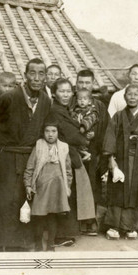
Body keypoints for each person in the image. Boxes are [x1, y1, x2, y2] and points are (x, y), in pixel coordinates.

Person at [0, 58, 52, 251]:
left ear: (46, 78)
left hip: (32, 157)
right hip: (7, 157)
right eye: (33, 73)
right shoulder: (8, 97)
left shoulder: (46, 101)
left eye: (41, 73)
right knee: (8, 200)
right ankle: (4, 244)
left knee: (29, 197)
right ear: (25, 76)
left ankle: (25, 243)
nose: (37, 78)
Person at [103, 84, 138, 240]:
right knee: (117, 191)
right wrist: (111, 161)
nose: (132, 97)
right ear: (124, 96)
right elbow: (110, 138)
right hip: (119, 161)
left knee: (134, 192)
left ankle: (128, 226)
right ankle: (113, 226)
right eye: (129, 94)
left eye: (136, 94)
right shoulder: (118, 116)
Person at [49, 78, 96, 244]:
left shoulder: (65, 109)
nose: (66, 94)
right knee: (63, 192)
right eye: (62, 91)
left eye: (68, 91)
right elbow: (69, 134)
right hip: (60, 155)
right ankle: (59, 235)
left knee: (68, 192)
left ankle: (64, 232)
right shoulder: (55, 110)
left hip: (69, 153)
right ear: (54, 93)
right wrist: (84, 141)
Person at [23, 116, 73, 251]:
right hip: (41, 186)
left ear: (58, 132)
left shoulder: (63, 147)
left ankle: (50, 244)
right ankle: (38, 244)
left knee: (53, 216)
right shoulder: (39, 145)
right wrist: (28, 185)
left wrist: (67, 187)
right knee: (39, 216)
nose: (50, 135)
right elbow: (30, 167)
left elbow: (68, 170)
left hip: (58, 187)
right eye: (47, 131)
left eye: (53, 131)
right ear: (43, 132)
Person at [74, 69, 110, 236]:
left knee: (92, 185)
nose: (84, 86)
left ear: (93, 84)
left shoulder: (100, 106)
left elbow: (106, 129)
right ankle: (75, 222)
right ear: (76, 83)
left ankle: (91, 221)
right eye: (81, 82)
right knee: (74, 185)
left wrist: (103, 153)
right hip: (74, 150)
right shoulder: (72, 102)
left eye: (87, 82)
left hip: (94, 151)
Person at [71, 88, 99, 162]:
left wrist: (83, 126)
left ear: (89, 101)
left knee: (81, 144)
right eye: (80, 99)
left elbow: (89, 119)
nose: (82, 101)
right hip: (77, 133)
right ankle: (84, 154)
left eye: (85, 99)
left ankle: (86, 154)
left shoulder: (91, 111)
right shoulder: (75, 110)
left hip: (86, 133)